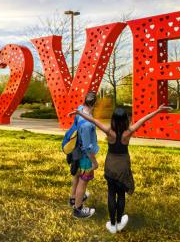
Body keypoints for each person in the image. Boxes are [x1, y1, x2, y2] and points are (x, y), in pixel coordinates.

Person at [69, 104, 172, 233]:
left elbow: (94, 120)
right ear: (125, 120)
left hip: (110, 165)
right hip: (123, 165)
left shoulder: (109, 132)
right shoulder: (128, 132)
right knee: (121, 194)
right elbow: (143, 120)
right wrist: (158, 110)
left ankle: (112, 224)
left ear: (113, 119)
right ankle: (118, 222)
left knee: (111, 193)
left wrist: (79, 114)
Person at [69, 92, 99, 218]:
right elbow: (88, 147)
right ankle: (78, 209)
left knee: (76, 176)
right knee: (83, 181)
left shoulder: (80, 109)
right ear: (95, 103)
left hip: (76, 151)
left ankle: (73, 198)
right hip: (85, 156)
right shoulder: (87, 124)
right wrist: (94, 162)